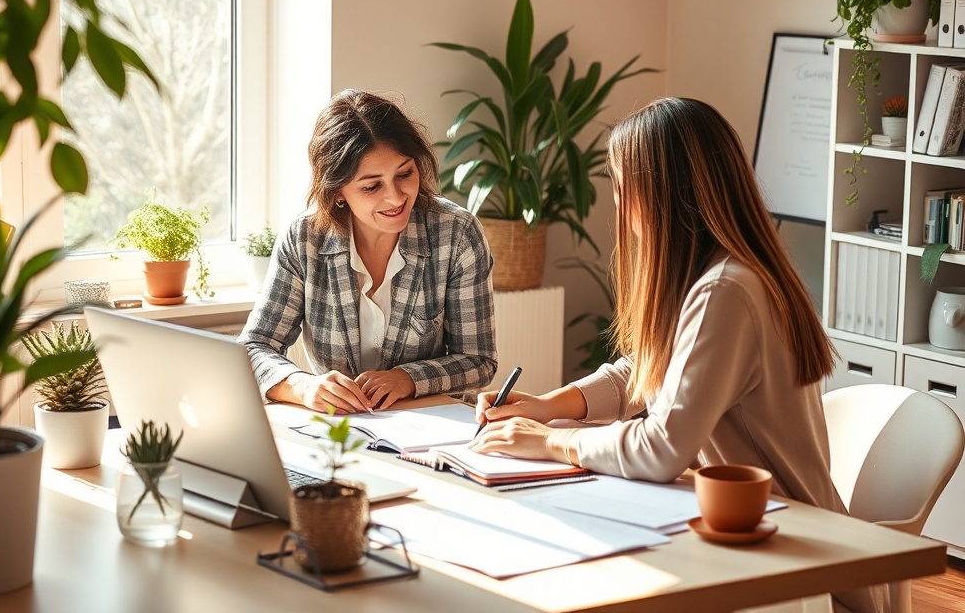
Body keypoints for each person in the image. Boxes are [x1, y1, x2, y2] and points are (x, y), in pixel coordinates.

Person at [471, 97, 882, 613]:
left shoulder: (726, 291)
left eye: (621, 187)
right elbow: (647, 370)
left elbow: (662, 447)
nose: (618, 205)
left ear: (658, 195)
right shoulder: (729, 273)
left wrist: (553, 442)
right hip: (766, 540)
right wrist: (550, 405)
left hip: (792, 572)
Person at [240, 89, 497, 414]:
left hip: (431, 425)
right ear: (337, 192)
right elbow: (253, 348)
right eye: (372, 186)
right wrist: (304, 387)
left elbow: (478, 360)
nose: (396, 197)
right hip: (337, 428)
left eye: (405, 174)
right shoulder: (304, 239)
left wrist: (408, 378)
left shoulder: (457, 233)